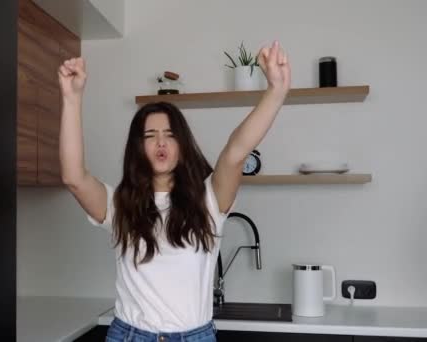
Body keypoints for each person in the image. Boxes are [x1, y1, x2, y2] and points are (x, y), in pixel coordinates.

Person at [58, 40, 291, 342]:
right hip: (129, 336)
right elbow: (74, 178)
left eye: (169, 135)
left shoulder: (209, 199)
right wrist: (71, 98)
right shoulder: (119, 205)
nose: (161, 143)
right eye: (150, 136)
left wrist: (276, 92)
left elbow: (235, 152)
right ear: (138, 147)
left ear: (182, 144)